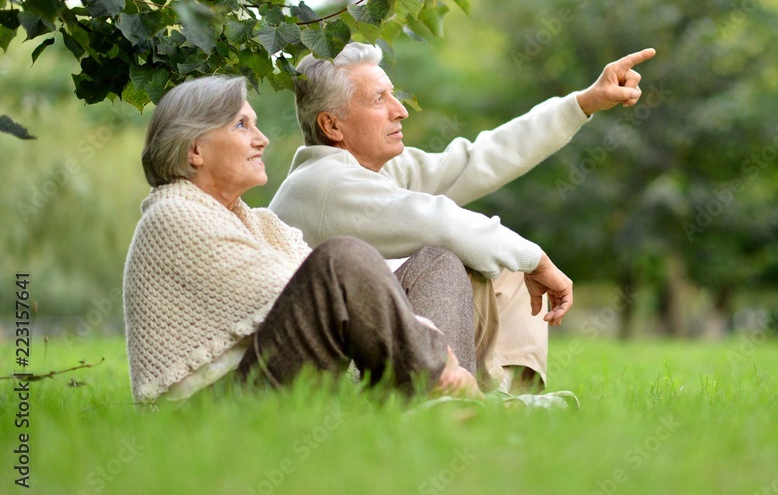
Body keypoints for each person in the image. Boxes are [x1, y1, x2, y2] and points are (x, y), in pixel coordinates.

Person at [269, 43, 656, 391]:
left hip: (369, 351)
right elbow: (438, 221)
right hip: (330, 373)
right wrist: (537, 259)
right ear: (331, 125)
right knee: (456, 259)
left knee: (503, 262)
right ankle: (455, 399)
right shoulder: (322, 184)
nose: (400, 110)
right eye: (379, 99)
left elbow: (480, 159)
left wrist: (583, 103)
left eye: (394, 96)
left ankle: (513, 398)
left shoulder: (378, 170)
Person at [122, 75, 482, 404]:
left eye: (256, 125)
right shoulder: (172, 215)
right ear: (194, 150)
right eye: (241, 125)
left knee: (436, 263)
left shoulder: (262, 224)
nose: (261, 139)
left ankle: (438, 400)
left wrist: (412, 328)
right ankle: (444, 383)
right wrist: (421, 333)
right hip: (220, 407)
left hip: (276, 379)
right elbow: (311, 288)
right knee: (342, 257)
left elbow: (336, 298)